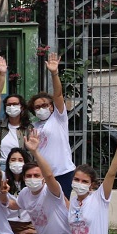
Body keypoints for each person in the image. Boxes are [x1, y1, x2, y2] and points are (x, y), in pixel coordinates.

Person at [5, 131, 72, 234]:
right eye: (28, 176)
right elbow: (14, 205)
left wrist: (35, 151)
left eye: (36, 175)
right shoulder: (25, 193)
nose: (32, 179)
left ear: (43, 178)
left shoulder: (52, 191)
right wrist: (2, 194)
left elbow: (50, 176)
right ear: (24, 178)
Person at [28, 52, 75, 198]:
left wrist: (54, 73)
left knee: (63, 205)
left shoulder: (58, 118)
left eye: (45, 105)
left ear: (51, 106)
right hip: (42, 174)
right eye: (37, 107)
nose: (41, 108)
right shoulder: (34, 126)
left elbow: (58, 95)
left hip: (62, 172)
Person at [0, 93, 32, 169]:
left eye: (15, 104)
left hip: (21, 166)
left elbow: (31, 152)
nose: (11, 107)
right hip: (1, 166)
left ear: (22, 107)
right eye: (9, 105)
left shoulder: (28, 128)